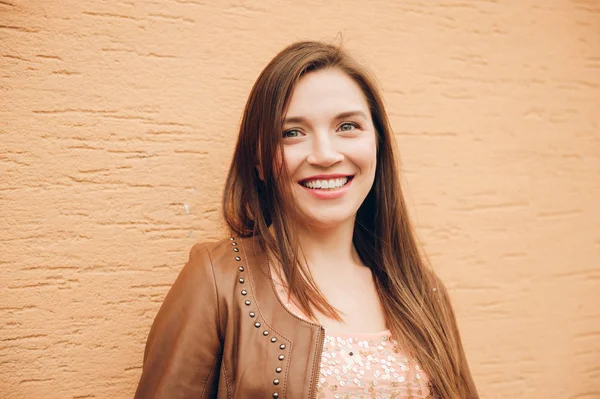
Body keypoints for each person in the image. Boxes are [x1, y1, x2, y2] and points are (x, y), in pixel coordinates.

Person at [134, 40, 478, 399]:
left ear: (377, 144)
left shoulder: (424, 293)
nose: (326, 155)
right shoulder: (217, 280)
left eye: (347, 126)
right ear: (260, 162)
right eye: (292, 133)